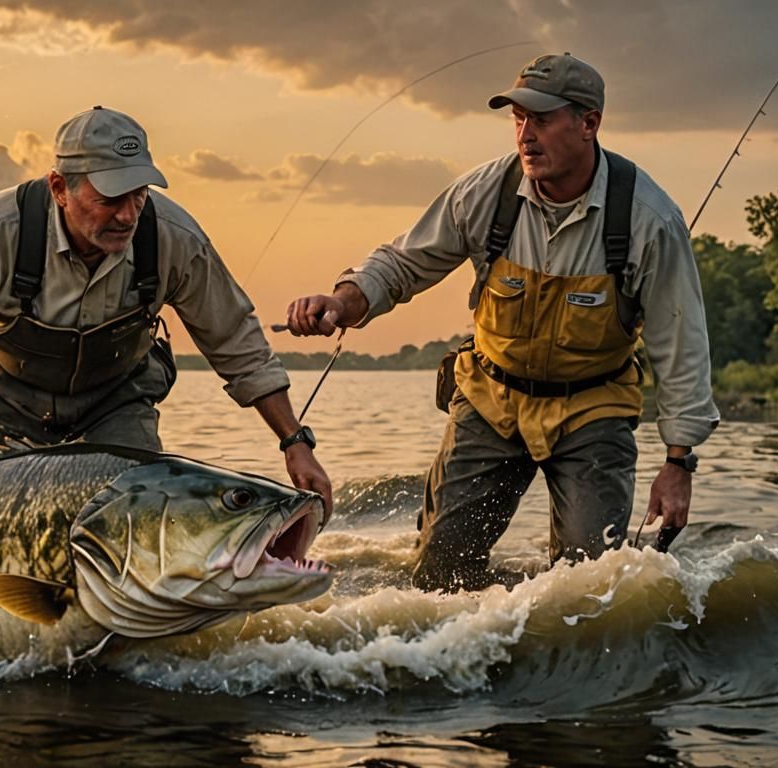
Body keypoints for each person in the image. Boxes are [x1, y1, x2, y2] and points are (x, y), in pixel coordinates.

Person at [285, 54, 718, 591]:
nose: (525, 135)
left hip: (593, 410)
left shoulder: (650, 219)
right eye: (517, 119)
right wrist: (344, 301)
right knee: (437, 578)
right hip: (490, 400)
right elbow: (403, 261)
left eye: (541, 119)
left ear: (589, 123)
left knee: (590, 588)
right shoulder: (485, 193)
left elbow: (682, 345)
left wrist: (679, 463)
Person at [0, 106, 331, 529]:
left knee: (135, 523)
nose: (128, 215)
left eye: (140, 194)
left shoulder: (175, 239)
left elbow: (237, 343)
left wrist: (294, 444)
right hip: (10, 406)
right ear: (60, 187)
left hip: (117, 402)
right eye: (110, 198)